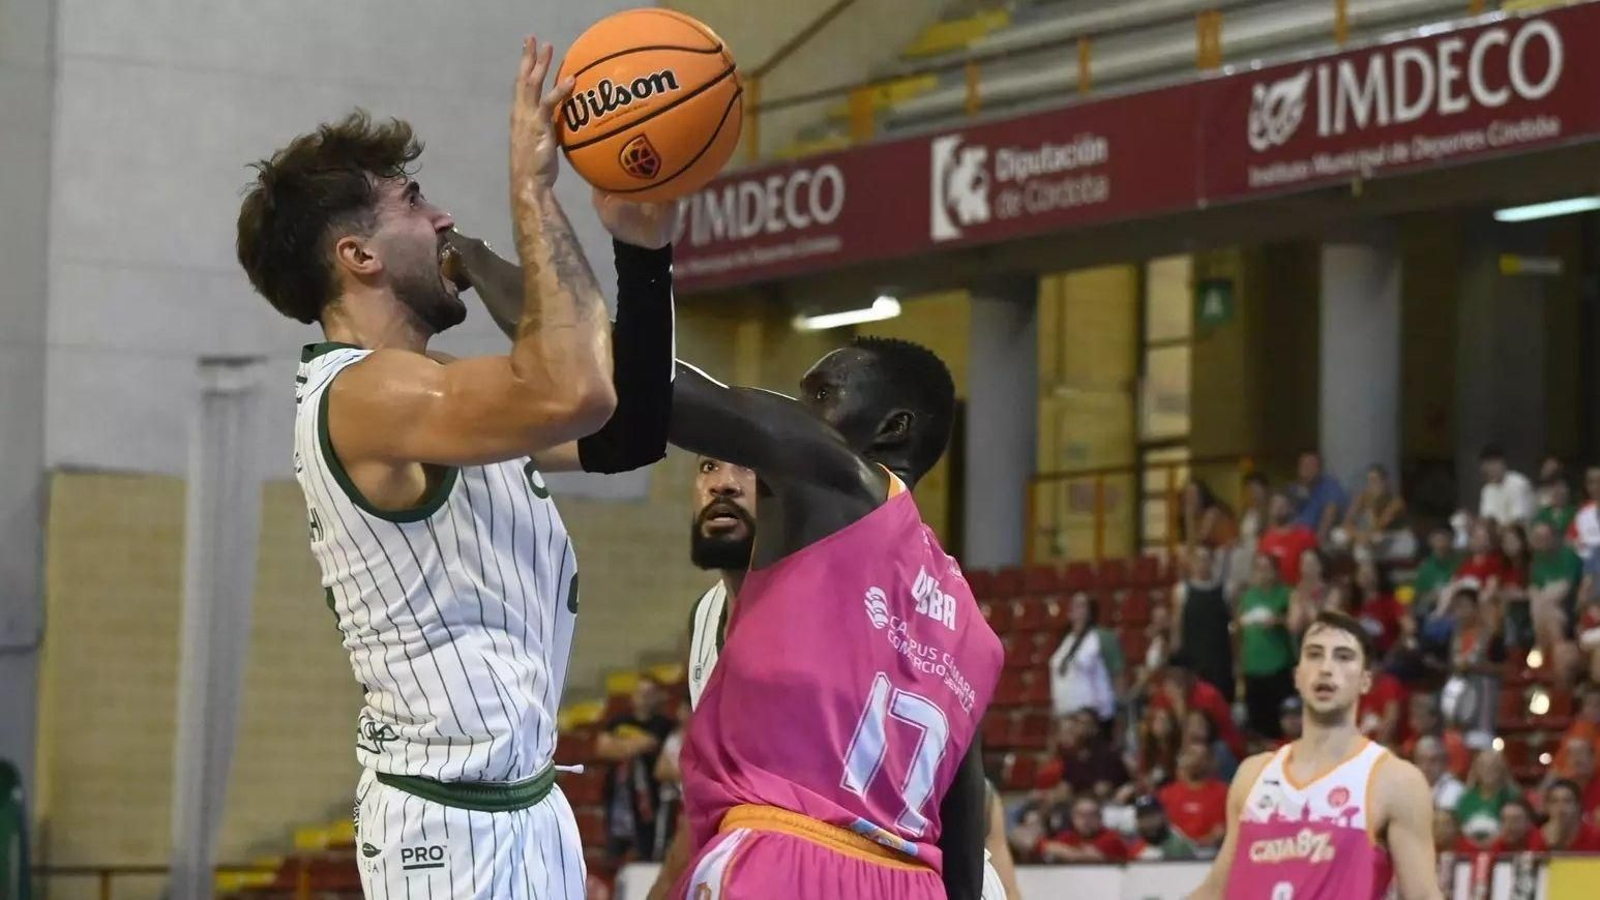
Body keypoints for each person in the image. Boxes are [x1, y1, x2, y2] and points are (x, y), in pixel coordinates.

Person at [235, 41, 681, 896]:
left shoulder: (438, 396)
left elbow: (629, 430)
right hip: (447, 827)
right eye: (412, 202)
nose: (442, 218)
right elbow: (575, 389)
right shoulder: (364, 395)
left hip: (528, 804)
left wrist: (643, 252)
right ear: (359, 257)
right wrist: (531, 190)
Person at [669, 338, 1004, 900]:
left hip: (786, 857)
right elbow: (963, 830)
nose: (800, 411)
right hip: (911, 881)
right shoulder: (971, 627)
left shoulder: (841, 480)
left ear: (892, 428)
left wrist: (557, 312)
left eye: (820, 395)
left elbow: (668, 390)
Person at [1189, 611, 1441, 900]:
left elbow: (1423, 896)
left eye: (1343, 657)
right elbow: (1217, 890)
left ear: (1365, 681)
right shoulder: (1253, 775)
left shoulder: (1395, 780)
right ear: (1298, 676)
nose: (1326, 668)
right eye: (1314, 654)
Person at [598, 678, 677, 863]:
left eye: (649, 693)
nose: (644, 698)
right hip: (618, 799)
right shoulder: (618, 720)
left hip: (649, 800)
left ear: (658, 697)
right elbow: (602, 749)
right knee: (612, 857)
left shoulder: (663, 724)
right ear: (632, 697)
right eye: (641, 693)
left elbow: (650, 743)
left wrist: (619, 745)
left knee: (646, 855)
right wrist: (635, 745)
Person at [1238, 554, 1295, 739]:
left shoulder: (1286, 594)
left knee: (1282, 722)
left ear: (1276, 571)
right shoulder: (1248, 597)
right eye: (1258, 569)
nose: (1263, 574)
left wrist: (1278, 621)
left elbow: (1295, 623)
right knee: (1257, 723)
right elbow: (1239, 631)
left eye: (1267, 569)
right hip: (1253, 667)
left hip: (1278, 665)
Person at [1047, 593, 1122, 722]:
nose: (1074, 608)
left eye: (1080, 605)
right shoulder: (1065, 639)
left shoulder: (1102, 637)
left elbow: (1118, 673)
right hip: (1064, 713)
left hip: (1093, 715)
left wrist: (1119, 710)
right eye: (1073, 605)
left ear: (1090, 611)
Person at [1174, 546, 1235, 703]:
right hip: (1193, 658)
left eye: (1205, 559)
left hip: (1220, 658)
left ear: (1212, 562)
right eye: (1198, 560)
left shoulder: (1225, 590)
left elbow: (1234, 624)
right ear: (1191, 563)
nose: (1202, 564)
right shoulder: (1182, 591)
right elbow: (1177, 627)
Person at [1157, 743, 1228, 853]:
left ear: (1209, 762)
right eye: (1191, 756)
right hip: (1174, 851)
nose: (1196, 762)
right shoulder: (1166, 794)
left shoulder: (1223, 792)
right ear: (1181, 761)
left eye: (1201, 758)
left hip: (1211, 852)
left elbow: (1224, 828)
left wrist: (1208, 840)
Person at [1341, 465, 1415, 561]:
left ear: (1385, 482)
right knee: (1340, 535)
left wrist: (1371, 506)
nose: (1372, 485)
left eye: (1375, 480)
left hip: (1398, 540)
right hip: (1374, 538)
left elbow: (1378, 526)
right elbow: (1347, 521)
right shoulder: (1364, 496)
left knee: (1366, 545)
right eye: (1369, 481)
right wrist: (1354, 533)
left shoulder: (1396, 502)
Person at [1455, 750, 1520, 845]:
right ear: (1476, 770)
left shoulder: (1512, 797)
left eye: (1493, 766)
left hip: (1502, 849)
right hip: (1469, 849)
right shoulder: (1466, 798)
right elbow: (1458, 830)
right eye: (1483, 766)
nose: (1489, 770)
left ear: (1502, 769)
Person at [1038, 796, 1130, 863]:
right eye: (1081, 815)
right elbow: (1046, 847)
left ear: (1100, 818)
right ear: (1073, 818)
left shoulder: (1111, 838)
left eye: (1092, 815)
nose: (1086, 820)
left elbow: (1090, 858)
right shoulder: (1068, 835)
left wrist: (1064, 852)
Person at [1259, 492, 1320, 586]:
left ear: (1291, 508)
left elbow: (1316, 569)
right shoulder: (1265, 539)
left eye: (1282, 505)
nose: (1279, 509)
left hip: (1300, 589)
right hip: (1275, 591)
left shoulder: (1306, 536)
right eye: (1275, 505)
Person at [1127, 795, 1199, 861]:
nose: (1147, 821)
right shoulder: (1134, 846)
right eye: (1142, 817)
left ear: (1163, 815)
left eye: (1151, 815)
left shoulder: (1180, 844)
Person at [1478, 445, 1536, 527]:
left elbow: (1519, 520)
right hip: (1498, 531)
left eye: (1493, 464)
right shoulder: (1487, 489)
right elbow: (1487, 519)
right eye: (1486, 466)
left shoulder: (1518, 483)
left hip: (1523, 530)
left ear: (1502, 463)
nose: (1490, 469)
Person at [1541, 779, 1600, 852]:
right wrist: (1552, 844)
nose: (1560, 807)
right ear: (1547, 807)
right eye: (1554, 801)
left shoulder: (1596, 836)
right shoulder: (1538, 837)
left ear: (1578, 805)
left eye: (1567, 801)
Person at [1412, 736, 1465, 812]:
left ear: (1444, 762)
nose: (1426, 767)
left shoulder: (1457, 791)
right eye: (1421, 760)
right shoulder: (1408, 787)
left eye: (1433, 760)